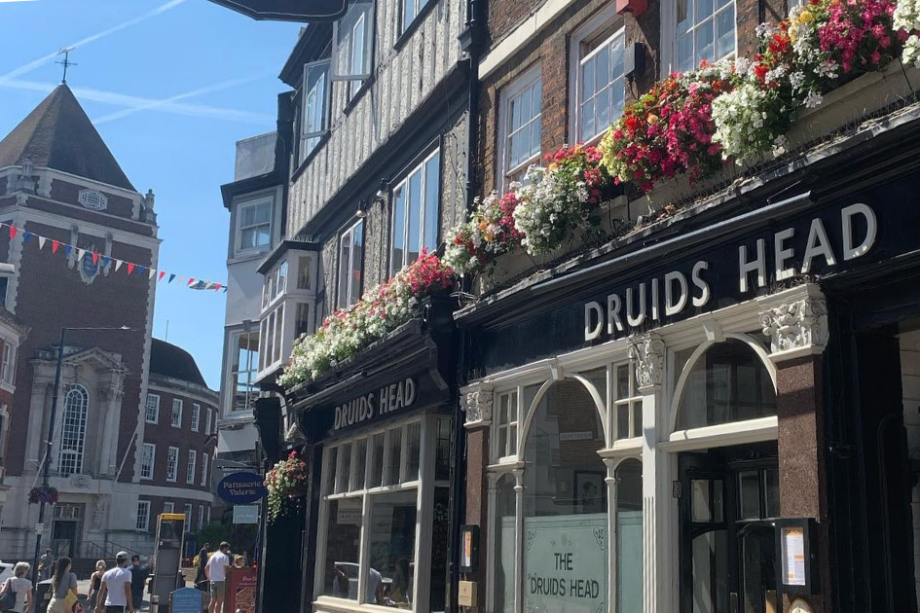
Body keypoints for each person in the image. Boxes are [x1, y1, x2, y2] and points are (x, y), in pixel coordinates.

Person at [205, 542, 231, 613]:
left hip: (213, 580)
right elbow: (226, 570)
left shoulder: (212, 556)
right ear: (225, 548)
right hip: (221, 580)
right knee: (219, 602)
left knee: (212, 600)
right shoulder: (225, 557)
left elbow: (206, 568)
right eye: (227, 549)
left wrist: (209, 578)